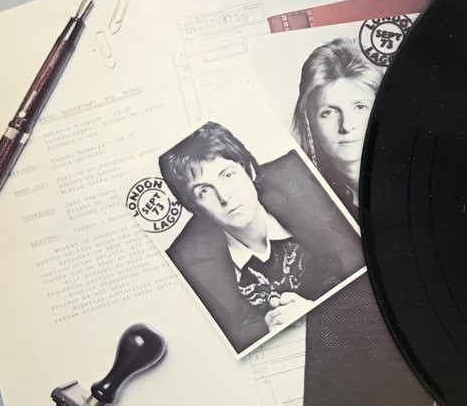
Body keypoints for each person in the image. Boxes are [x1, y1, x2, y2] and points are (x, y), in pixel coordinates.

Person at [159, 122, 363, 353]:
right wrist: (267, 333)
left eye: (227, 175)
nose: (224, 196)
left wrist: (315, 313)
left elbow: (360, 269)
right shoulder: (183, 260)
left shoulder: (301, 176)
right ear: (194, 207)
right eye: (203, 191)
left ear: (249, 170)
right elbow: (231, 342)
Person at [292, 37, 383, 219]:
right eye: (329, 112)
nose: (346, 126)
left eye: (360, 107)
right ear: (310, 123)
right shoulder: (301, 200)